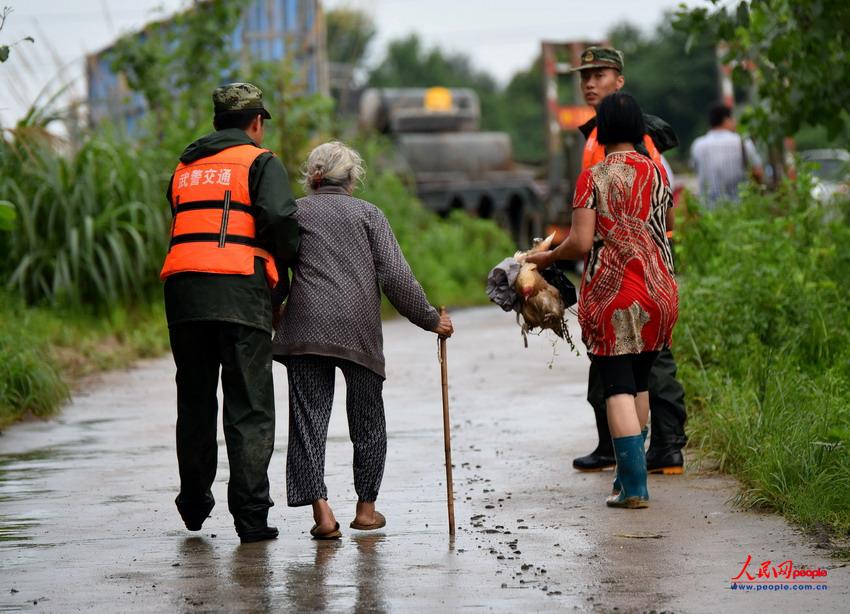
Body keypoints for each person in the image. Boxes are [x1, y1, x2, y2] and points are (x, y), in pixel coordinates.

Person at [273, 141, 454, 539]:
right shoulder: (369, 214)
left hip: (306, 327)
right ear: (352, 180)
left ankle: (322, 514)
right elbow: (396, 277)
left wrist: (275, 308)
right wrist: (430, 320)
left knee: (308, 421)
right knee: (368, 420)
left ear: (312, 178)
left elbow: (277, 265)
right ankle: (366, 510)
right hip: (358, 330)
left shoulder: (296, 212)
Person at [160, 82, 300, 543]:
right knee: (249, 404)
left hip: (184, 295)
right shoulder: (260, 161)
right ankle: (251, 518)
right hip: (239, 290)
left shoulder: (185, 165)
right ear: (256, 122)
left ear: (217, 121)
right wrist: (285, 272)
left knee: (195, 399)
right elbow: (280, 219)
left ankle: (194, 505)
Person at [527, 92, 678, 508]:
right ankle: (626, 480)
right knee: (641, 382)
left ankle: (633, 487)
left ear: (602, 129)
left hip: (615, 293)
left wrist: (547, 256)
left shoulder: (593, 177)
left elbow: (578, 243)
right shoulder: (658, 174)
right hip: (660, 291)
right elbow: (665, 226)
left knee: (617, 387)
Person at [570, 46, 688, 477]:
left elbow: (658, 210)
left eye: (599, 74)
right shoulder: (593, 136)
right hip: (620, 272)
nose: (589, 82)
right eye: (585, 75)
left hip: (629, 273)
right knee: (617, 365)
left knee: (648, 363)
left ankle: (665, 448)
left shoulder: (640, 139)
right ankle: (615, 448)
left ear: (619, 80)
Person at [690, 102, 764, 208]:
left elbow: (697, 171)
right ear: (726, 120)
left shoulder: (697, 145)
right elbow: (758, 172)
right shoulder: (742, 142)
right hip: (740, 209)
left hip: (708, 213)